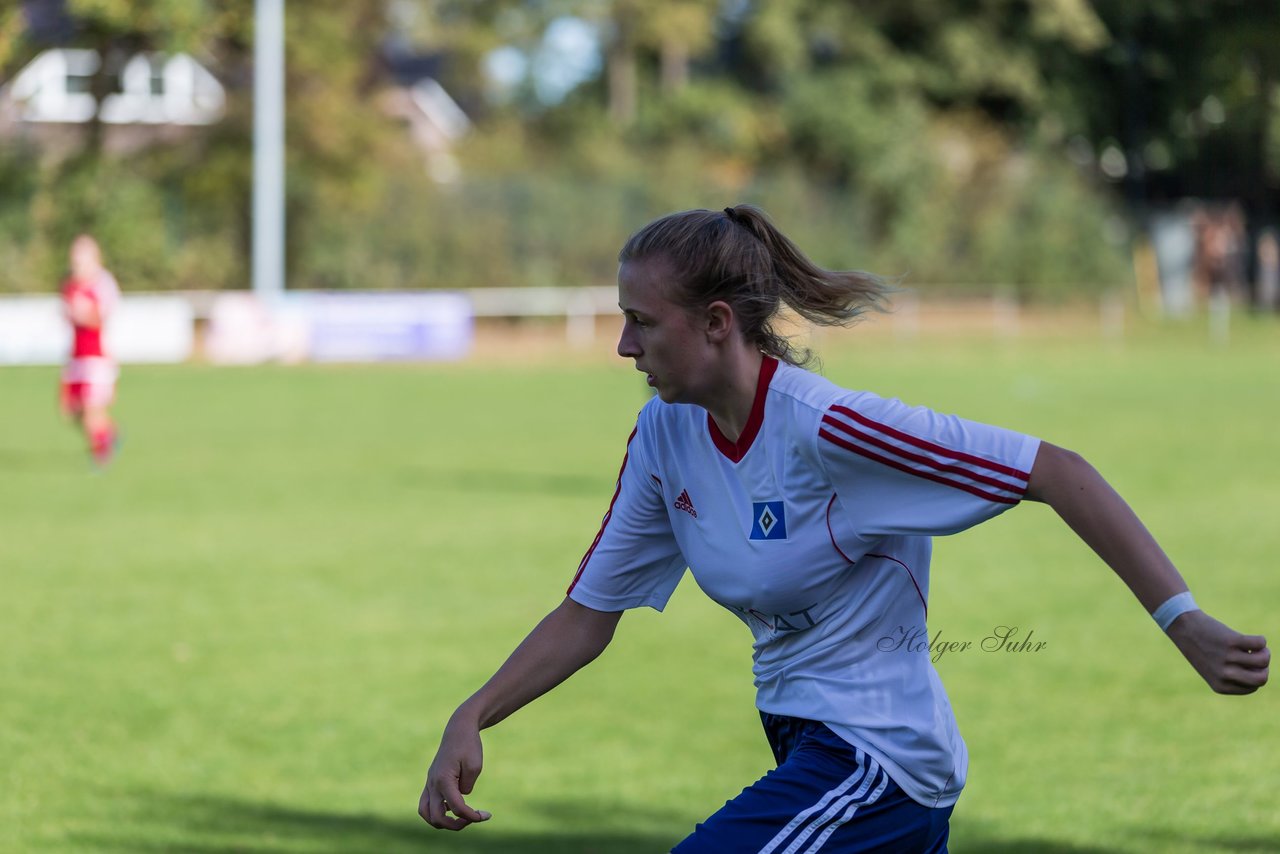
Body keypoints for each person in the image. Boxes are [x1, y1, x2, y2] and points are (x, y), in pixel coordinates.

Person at [419, 206, 1269, 852]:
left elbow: (1057, 470)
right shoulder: (665, 436)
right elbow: (588, 610)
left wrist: (1182, 620)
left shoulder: (830, 429)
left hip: (878, 763)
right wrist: (476, 713)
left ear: (718, 322)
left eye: (641, 321)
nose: (621, 345)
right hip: (805, 746)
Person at [60, 234, 121, 468]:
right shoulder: (70, 285)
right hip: (76, 358)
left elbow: (102, 318)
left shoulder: (103, 284)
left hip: (98, 357)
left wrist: (84, 314)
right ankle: (110, 434)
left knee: (92, 410)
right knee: (73, 411)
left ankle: (101, 456)